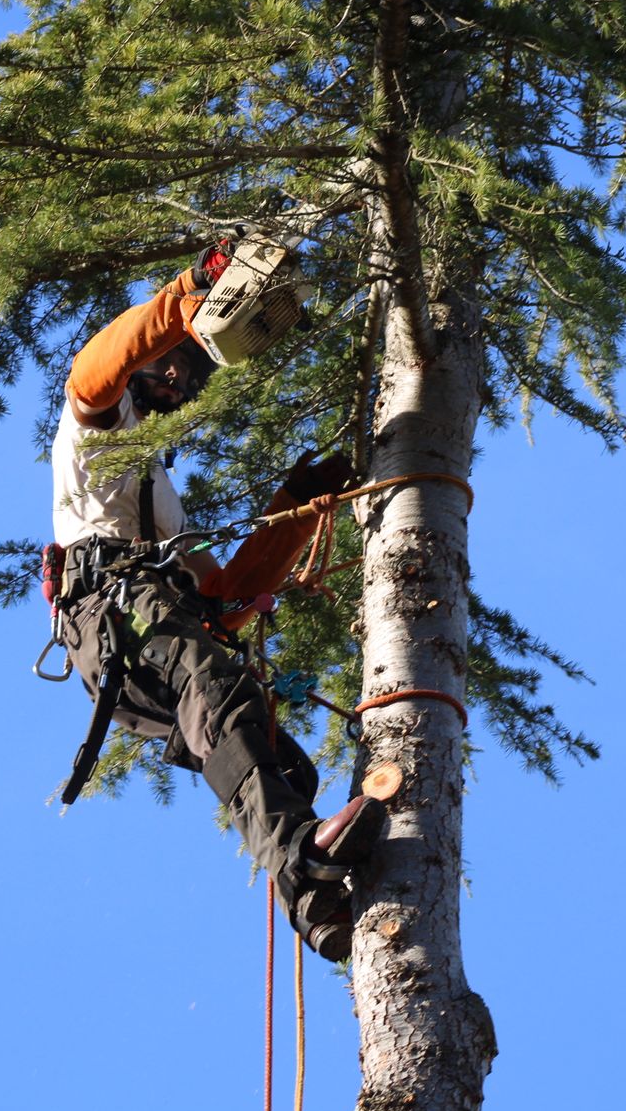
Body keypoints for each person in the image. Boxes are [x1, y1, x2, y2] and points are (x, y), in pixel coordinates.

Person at [48, 251, 384, 961]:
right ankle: (300, 856)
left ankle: (315, 898)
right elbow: (93, 368)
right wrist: (189, 295)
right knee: (219, 690)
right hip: (112, 606)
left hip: (146, 622)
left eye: (192, 375)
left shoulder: (163, 495)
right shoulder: (98, 422)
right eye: (168, 364)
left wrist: (294, 512)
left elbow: (222, 597)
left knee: (282, 759)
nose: (178, 378)